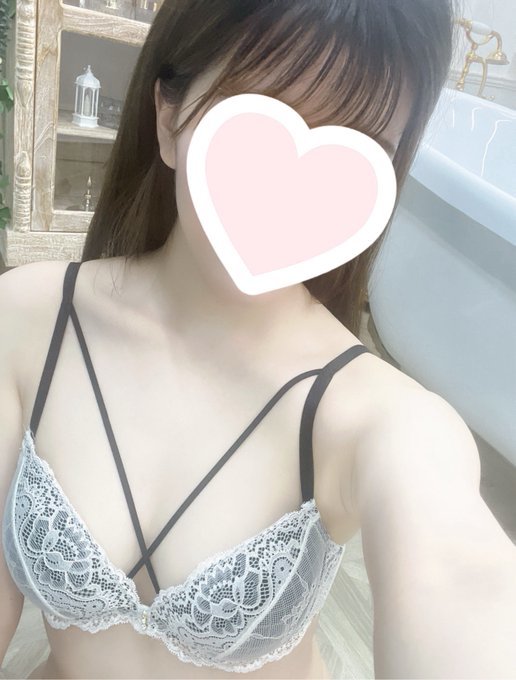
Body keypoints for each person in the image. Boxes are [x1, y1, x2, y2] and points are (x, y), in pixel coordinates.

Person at [1, 1, 515, 678]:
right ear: (169, 119)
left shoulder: (380, 417)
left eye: (353, 152)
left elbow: (459, 576)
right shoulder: (29, 320)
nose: (289, 194)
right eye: (255, 120)